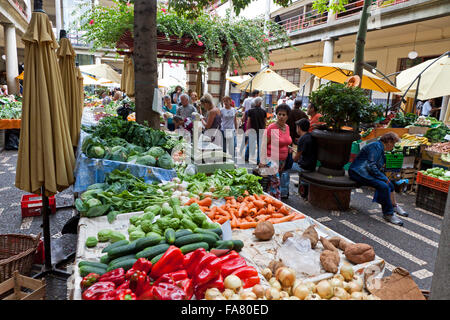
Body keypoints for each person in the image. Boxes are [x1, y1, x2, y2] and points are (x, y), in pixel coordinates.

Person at [348, 132, 408, 226]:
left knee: (390, 184)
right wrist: (383, 178)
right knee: (383, 185)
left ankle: (394, 205)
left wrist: (384, 178)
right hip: (358, 172)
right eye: (393, 143)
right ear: (388, 141)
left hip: (365, 172)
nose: (393, 146)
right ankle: (388, 213)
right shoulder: (376, 146)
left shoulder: (379, 147)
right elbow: (371, 165)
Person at [260, 104, 292, 199]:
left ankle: (268, 201)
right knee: (276, 182)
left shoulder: (287, 128)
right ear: (276, 115)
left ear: (287, 116)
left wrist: (288, 147)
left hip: (282, 160)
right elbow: (264, 144)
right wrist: (262, 161)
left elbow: (285, 141)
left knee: (272, 183)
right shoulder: (271, 127)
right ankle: (277, 202)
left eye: (284, 115)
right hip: (271, 159)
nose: (281, 117)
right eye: (279, 114)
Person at [292, 118, 317, 199]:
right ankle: (302, 183)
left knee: (286, 166)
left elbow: (296, 158)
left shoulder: (302, 139)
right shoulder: (310, 136)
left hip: (304, 167)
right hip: (312, 165)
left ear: (299, 128)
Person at [245, 96, 267, 164]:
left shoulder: (250, 111)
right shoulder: (264, 111)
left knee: (250, 144)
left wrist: (247, 130)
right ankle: (258, 160)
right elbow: (265, 122)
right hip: (261, 130)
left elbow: (248, 121)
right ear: (260, 103)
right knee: (260, 146)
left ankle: (246, 157)